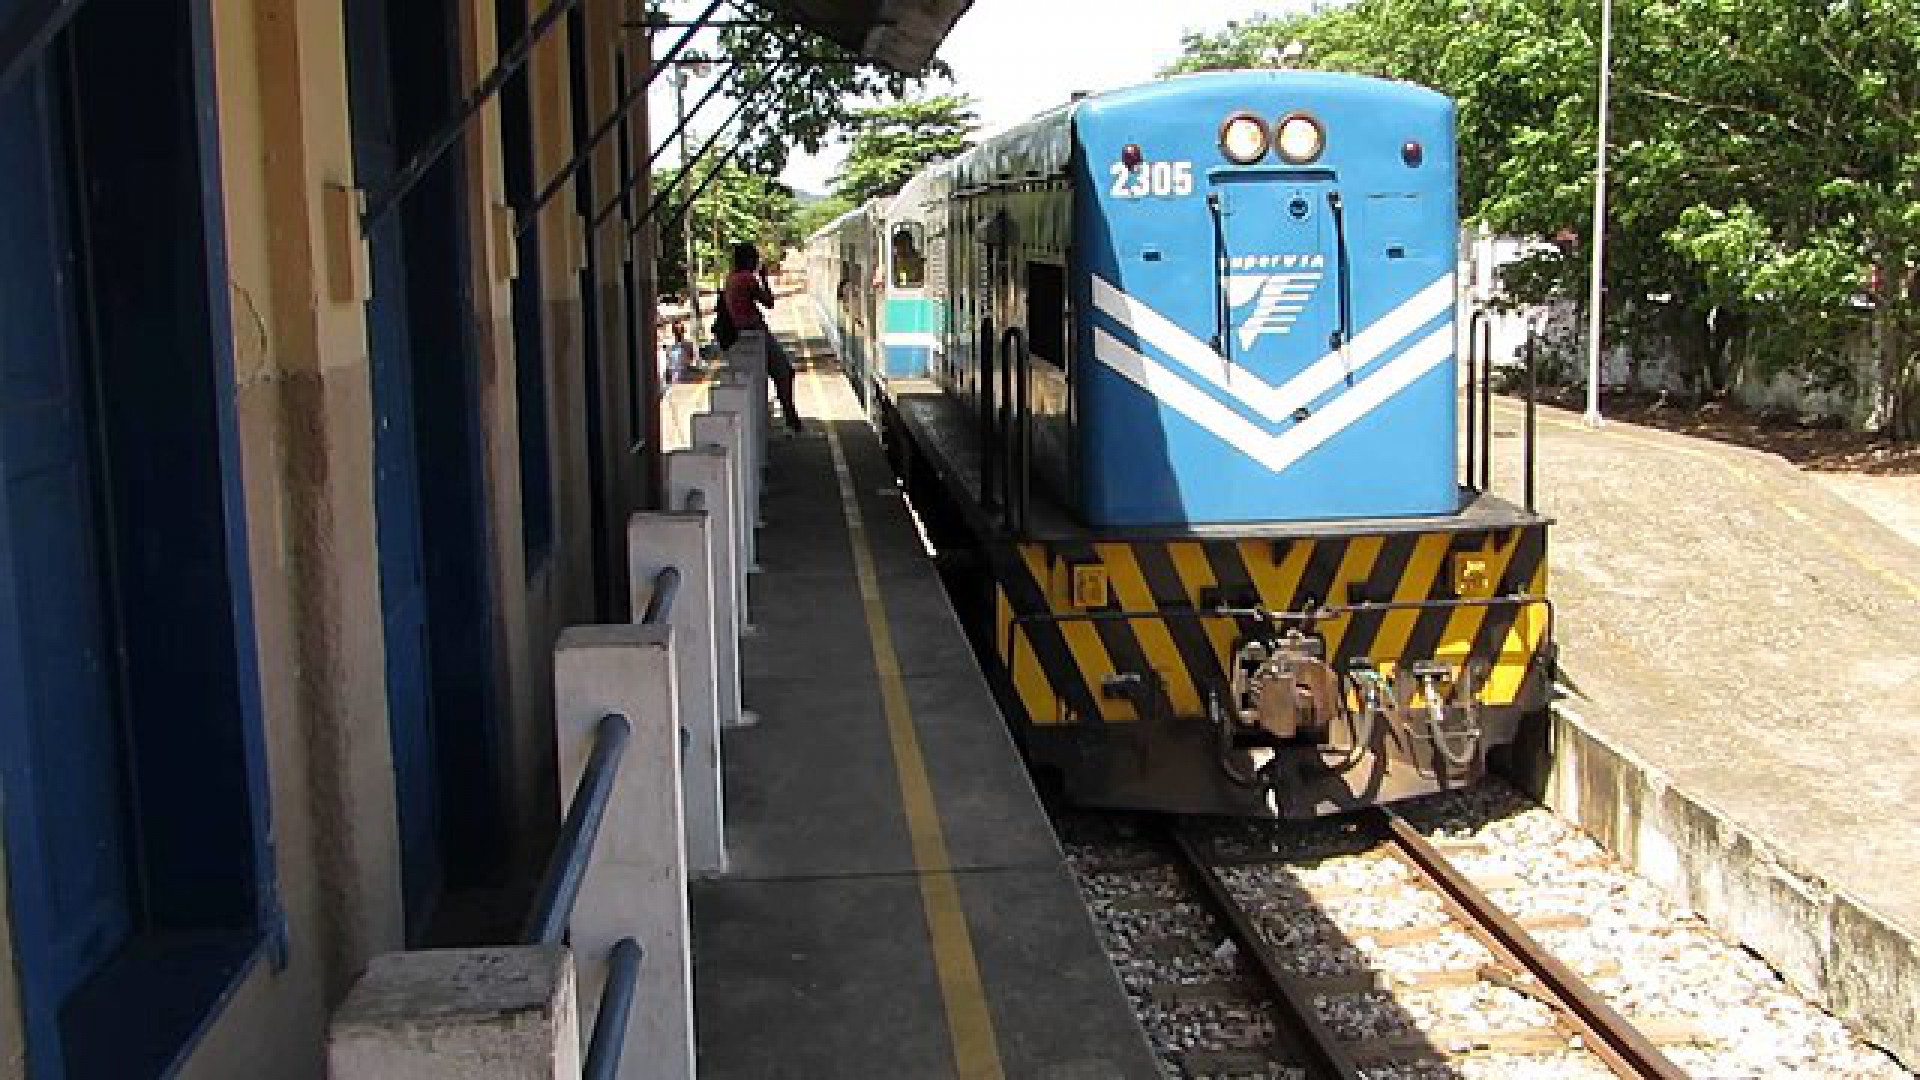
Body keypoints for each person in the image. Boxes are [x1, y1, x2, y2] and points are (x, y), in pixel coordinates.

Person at [722, 242, 803, 433]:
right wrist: (764, 279)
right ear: (748, 259)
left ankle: (790, 419)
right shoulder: (747, 279)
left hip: (740, 334)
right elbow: (769, 302)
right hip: (756, 332)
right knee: (784, 372)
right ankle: (792, 419)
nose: (757, 261)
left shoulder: (731, 278)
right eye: (755, 258)